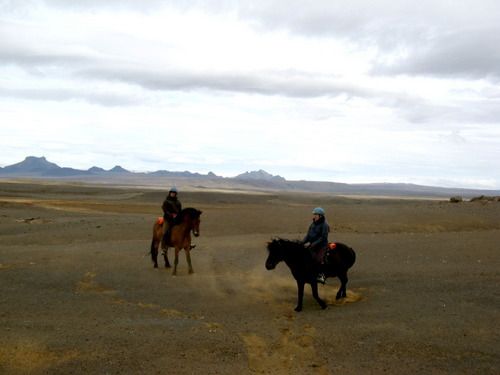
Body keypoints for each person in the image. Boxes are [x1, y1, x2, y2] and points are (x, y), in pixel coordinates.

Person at [302, 207, 330, 284]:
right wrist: (302, 243)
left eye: (315, 214)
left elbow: (323, 238)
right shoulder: (313, 224)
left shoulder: (325, 225)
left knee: (319, 259)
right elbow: (308, 235)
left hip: (321, 246)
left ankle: (321, 275)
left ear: (320, 216)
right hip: (312, 245)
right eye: (314, 214)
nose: (314, 216)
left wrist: (311, 244)